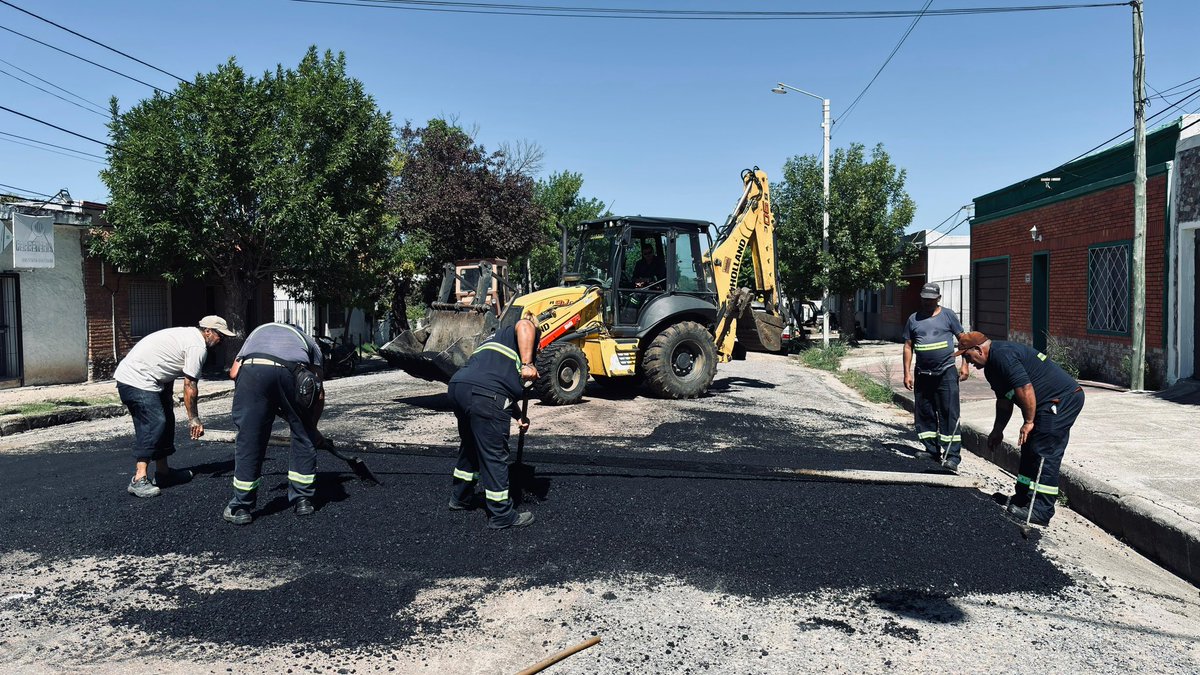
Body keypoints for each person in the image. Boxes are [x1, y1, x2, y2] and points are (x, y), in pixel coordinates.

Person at [954, 331, 1085, 527]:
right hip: (1043, 403)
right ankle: (1022, 498)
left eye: (967, 356)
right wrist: (998, 430)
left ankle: (1041, 510)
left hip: (1061, 399)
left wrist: (1029, 421)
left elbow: (1025, 389)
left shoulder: (1003, 355)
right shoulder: (991, 368)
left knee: (1044, 451)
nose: (967, 361)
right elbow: (1004, 401)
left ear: (979, 350)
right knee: (1028, 447)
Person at [114, 315, 235, 498]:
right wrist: (194, 419)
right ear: (208, 331)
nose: (222, 341)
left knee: (167, 420)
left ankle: (163, 473)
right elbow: (190, 386)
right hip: (136, 380)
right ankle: (139, 479)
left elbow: (167, 364)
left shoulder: (190, 337)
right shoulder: (197, 347)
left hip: (152, 380)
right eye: (221, 336)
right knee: (155, 422)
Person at [222, 322, 325, 526]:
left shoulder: (256, 332)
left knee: (250, 439)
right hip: (292, 373)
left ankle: (241, 506)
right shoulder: (309, 342)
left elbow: (234, 373)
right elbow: (317, 391)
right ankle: (303, 500)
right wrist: (311, 427)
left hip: (253, 372)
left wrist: (260, 400)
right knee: (302, 435)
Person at [447, 315, 540, 529]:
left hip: (459, 387)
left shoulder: (494, 340)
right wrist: (527, 364)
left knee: (471, 446)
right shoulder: (522, 329)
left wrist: (518, 416)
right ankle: (501, 514)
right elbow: (526, 324)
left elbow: (494, 384)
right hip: (484, 394)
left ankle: (460, 498)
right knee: (494, 454)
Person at [902, 283, 969, 472]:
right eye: (924, 298)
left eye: (931, 299)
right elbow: (908, 346)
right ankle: (931, 450)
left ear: (938, 299)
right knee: (924, 412)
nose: (927, 302)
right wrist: (907, 372)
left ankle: (952, 456)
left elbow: (964, 340)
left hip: (946, 372)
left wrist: (964, 364)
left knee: (949, 413)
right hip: (922, 373)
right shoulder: (913, 319)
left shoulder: (948, 315)